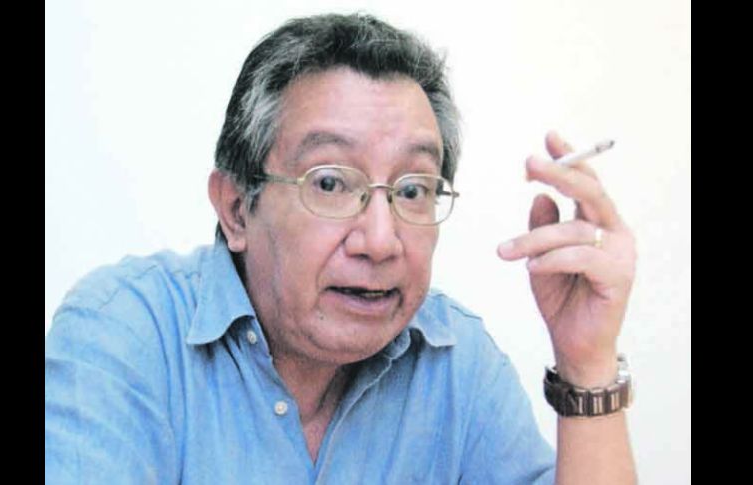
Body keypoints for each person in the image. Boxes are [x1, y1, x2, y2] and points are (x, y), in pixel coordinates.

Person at [45, 12, 637, 484]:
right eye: (330, 183)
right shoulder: (126, 332)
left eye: (413, 190)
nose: (380, 241)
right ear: (236, 208)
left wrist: (587, 364)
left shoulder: (458, 365)